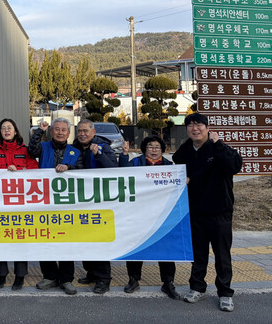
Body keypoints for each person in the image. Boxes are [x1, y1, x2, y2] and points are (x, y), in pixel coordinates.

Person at [173, 112, 242, 312]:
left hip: (220, 212)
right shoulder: (185, 151)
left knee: (222, 255)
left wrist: (218, 143)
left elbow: (235, 165)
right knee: (198, 254)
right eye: (190, 125)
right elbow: (177, 163)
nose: (195, 129)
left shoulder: (219, 148)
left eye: (199, 125)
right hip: (195, 211)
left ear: (208, 128)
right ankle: (197, 287)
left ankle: (225, 293)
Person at [118, 135, 180, 299]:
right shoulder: (136, 162)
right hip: (138, 213)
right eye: (150, 146)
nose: (154, 150)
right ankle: (133, 279)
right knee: (136, 247)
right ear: (144, 149)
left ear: (162, 150)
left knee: (166, 249)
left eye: (157, 147)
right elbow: (122, 173)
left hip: (162, 214)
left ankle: (168, 282)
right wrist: (124, 155)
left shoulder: (169, 166)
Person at [0, 118, 38, 290]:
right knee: (0, 238)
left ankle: (20, 275)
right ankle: (2, 274)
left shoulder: (24, 150)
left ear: (15, 131)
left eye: (9, 127)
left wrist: (18, 171)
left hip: (19, 202)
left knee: (19, 238)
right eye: (3, 128)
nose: (6, 130)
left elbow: (34, 170)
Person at [27, 117, 80, 295]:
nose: (60, 132)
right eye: (56, 129)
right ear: (51, 131)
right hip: (43, 202)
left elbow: (84, 171)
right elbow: (31, 150)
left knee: (66, 240)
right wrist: (39, 132)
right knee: (44, 238)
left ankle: (66, 279)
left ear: (69, 132)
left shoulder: (75, 151)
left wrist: (69, 168)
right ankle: (49, 276)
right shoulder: (43, 147)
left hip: (66, 205)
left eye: (63, 130)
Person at [72, 119, 118, 294]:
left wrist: (98, 154)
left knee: (98, 241)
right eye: (79, 131)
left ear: (93, 132)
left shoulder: (103, 147)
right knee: (84, 240)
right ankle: (90, 273)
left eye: (85, 131)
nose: (82, 134)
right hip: (79, 201)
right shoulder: (73, 148)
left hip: (98, 202)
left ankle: (103, 279)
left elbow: (113, 169)